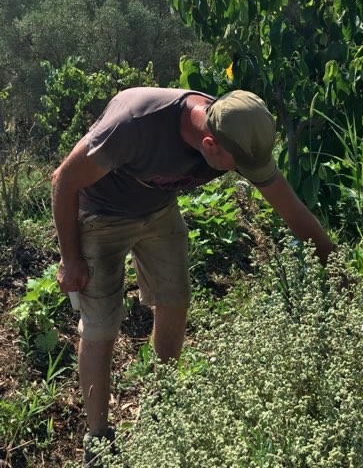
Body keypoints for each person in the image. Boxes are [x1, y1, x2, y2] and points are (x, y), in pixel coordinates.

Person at [52, 87, 334, 463]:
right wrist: (70, 258)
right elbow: (63, 180)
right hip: (101, 214)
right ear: (209, 144)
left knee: (175, 300)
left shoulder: (238, 130)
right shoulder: (134, 124)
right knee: (102, 327)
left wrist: (337, 270)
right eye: (233, 166)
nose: (240, 175)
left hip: (158, 212)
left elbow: (291, 209)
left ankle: (161, 399)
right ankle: (98, 441)